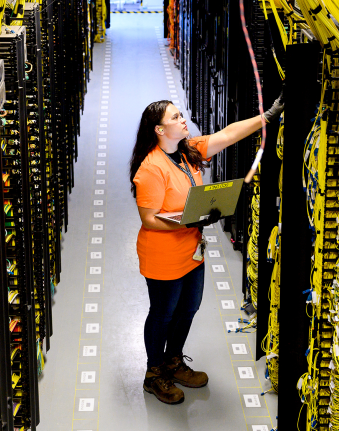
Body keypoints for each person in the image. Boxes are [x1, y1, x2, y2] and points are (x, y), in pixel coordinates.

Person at [128, 93, 284, 404]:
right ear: (159, 130)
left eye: (180, 114)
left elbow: (228, 134)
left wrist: (266, 117)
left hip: (191, 252)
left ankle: (173, 361)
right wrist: (190, 221)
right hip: (163, 256)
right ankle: (154, 374)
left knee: (188, 309)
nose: (182, 119)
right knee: (162, 314)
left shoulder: (188, 151)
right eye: (174, 118)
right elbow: (149, 219)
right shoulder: (150, 168)